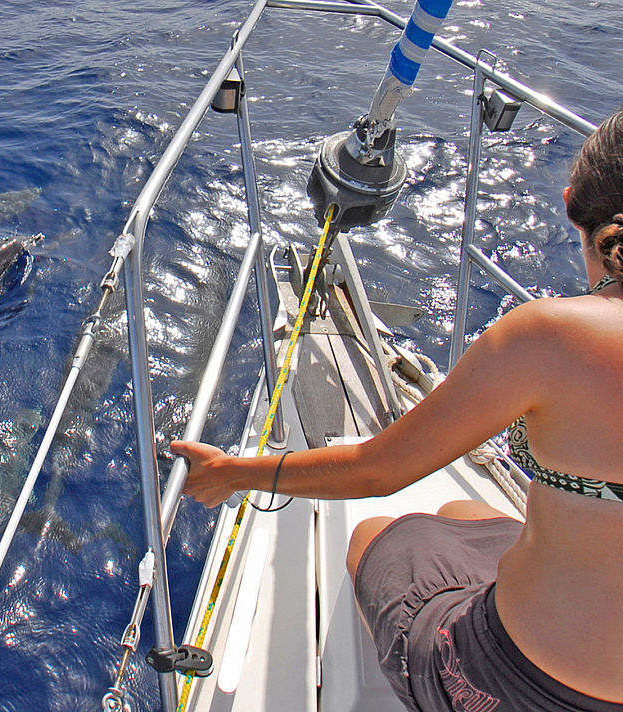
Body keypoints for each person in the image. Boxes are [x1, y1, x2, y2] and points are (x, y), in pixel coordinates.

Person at [172, 107, 623, 712]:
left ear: (571, 204)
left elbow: (375, 474)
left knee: (375, 533)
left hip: (517, 683)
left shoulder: (551, 337)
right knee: (464, 509)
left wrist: (231, 474)